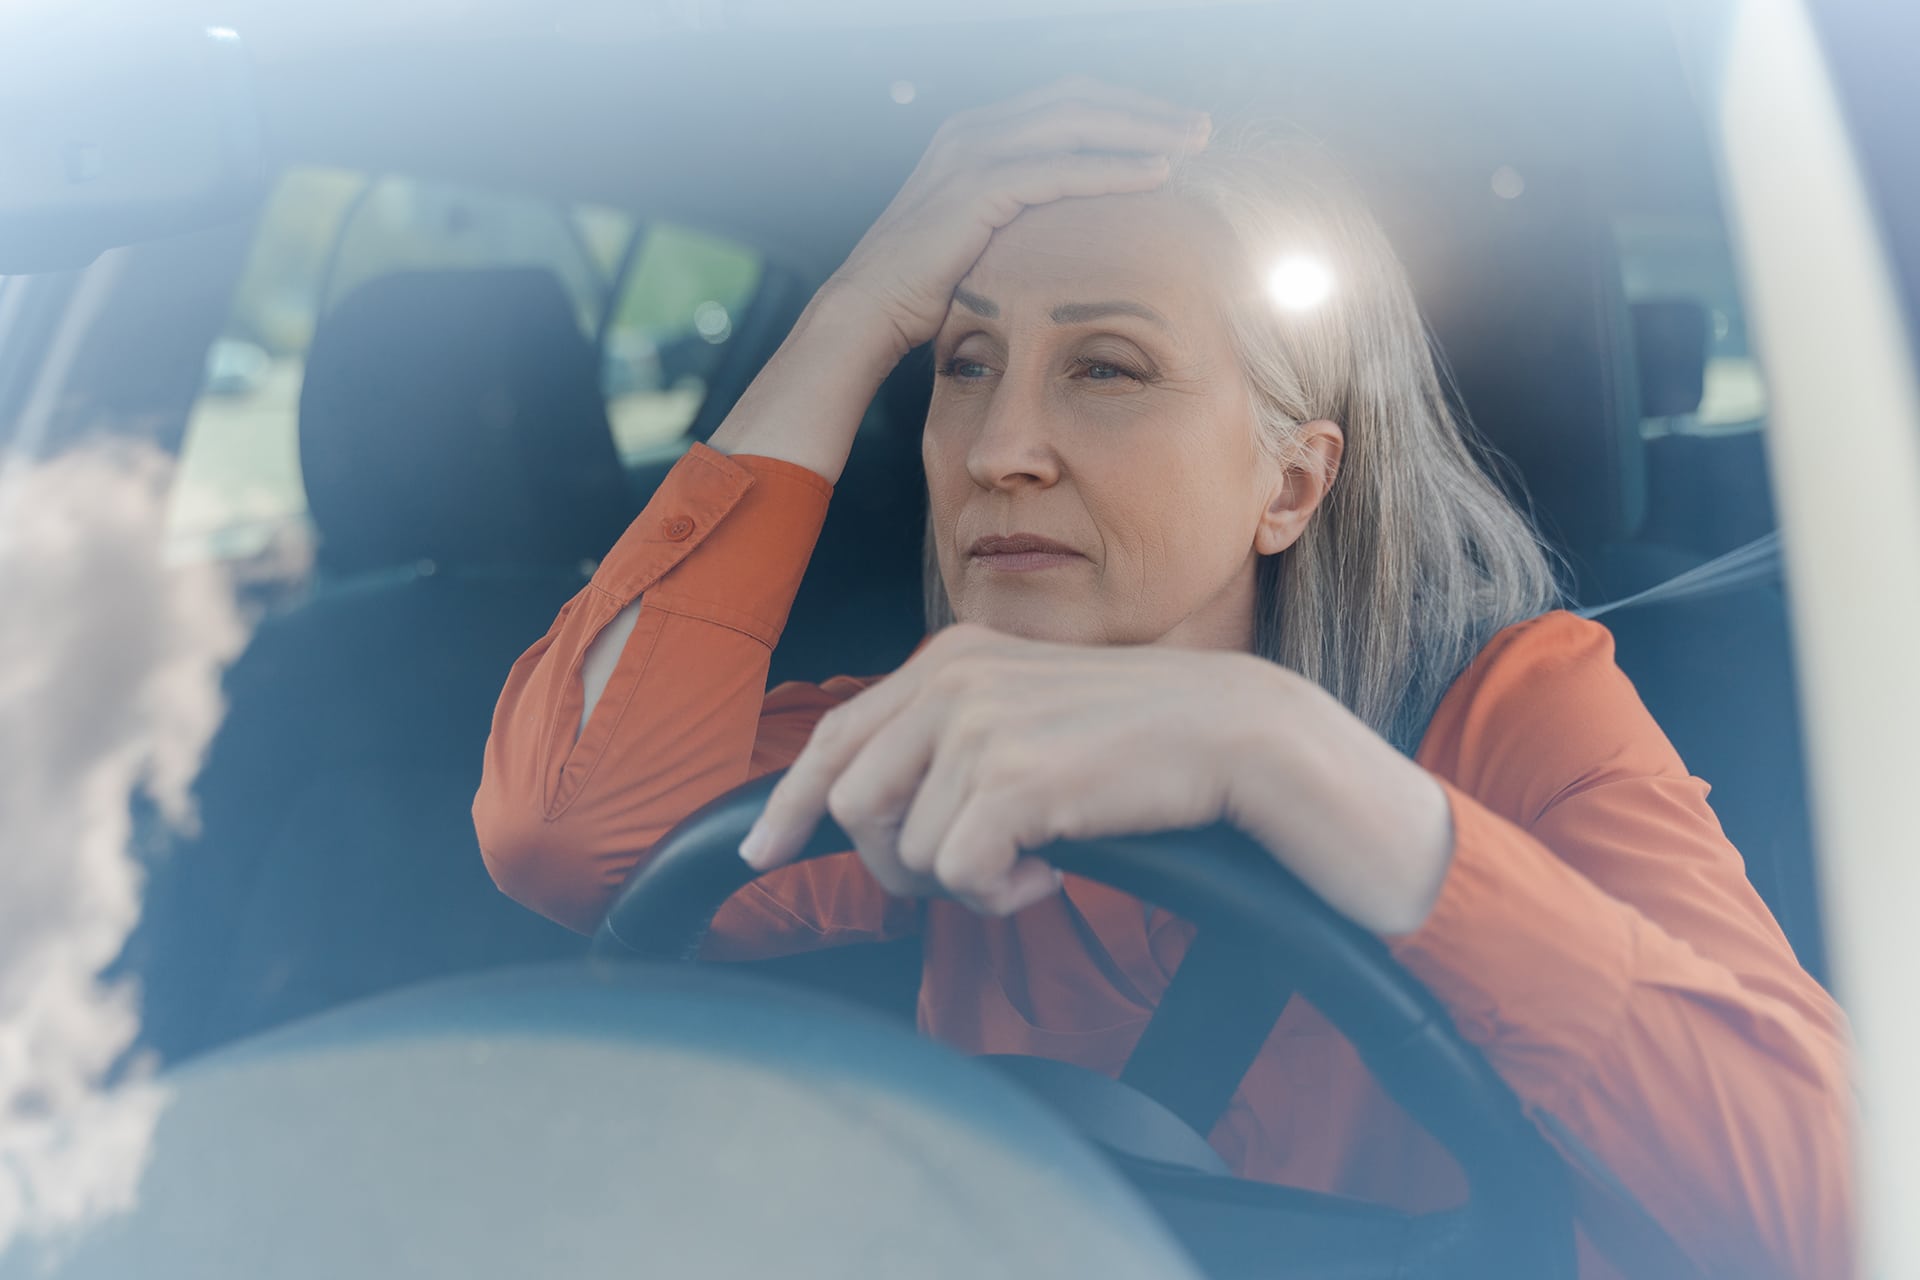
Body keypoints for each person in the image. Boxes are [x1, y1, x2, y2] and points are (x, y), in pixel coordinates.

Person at [472, 79, 1850, 1278]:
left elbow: (1849, 1217)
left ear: (1290, 484)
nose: (1001, 447)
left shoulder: (1518, 715)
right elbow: (574, 832)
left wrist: (1292, 760)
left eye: (1109, 369)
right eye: (962, 362)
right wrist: (857, 306)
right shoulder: (963, 729)